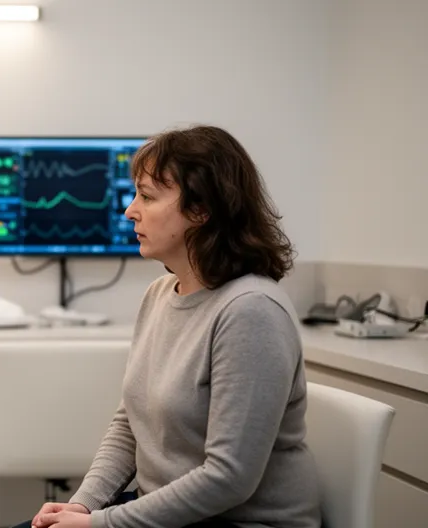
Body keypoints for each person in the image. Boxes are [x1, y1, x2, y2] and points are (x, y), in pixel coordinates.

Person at [20, 125, 322, 528]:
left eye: (146, 195)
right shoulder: (160, 294)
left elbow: (229, 479)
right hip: (168, 513)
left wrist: (102, 525)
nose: (130, 210)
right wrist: (84, 506)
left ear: (200, 210)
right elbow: (130, 423)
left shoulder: (251, 311)